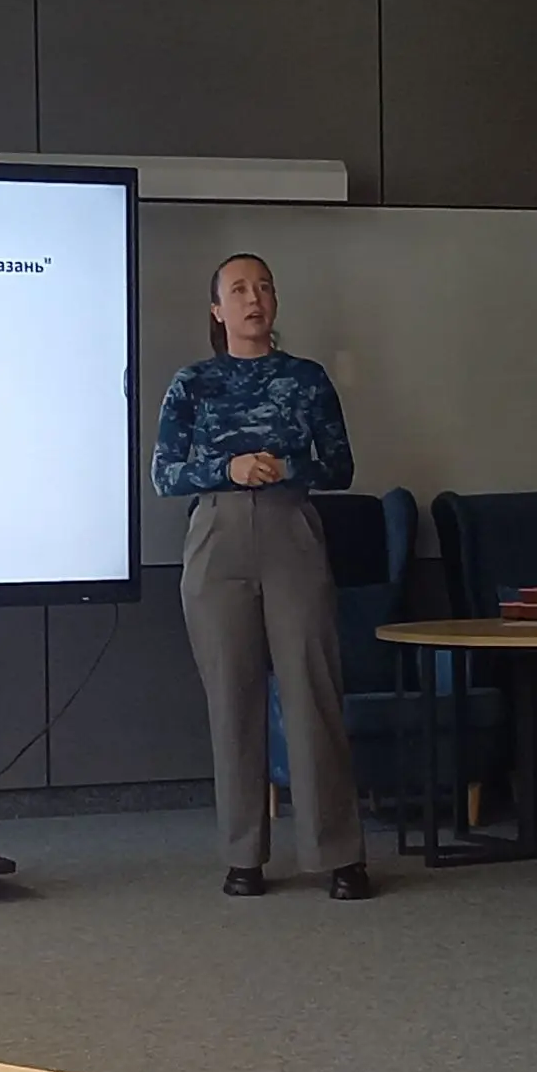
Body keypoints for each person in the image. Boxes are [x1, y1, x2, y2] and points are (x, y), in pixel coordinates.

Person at [152, 253, 371, 901]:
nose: (254, 299)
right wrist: (230, 468)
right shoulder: (193, 382)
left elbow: (341, 467)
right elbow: (165, 473)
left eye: (265, 287)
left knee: (312, 691)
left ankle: (338, 854)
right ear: (217, 310)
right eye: (239, 289)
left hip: (290, 530)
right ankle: (243, 855)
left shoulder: (306, 378)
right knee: (233, 699)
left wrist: (286, 466)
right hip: (217, 538)